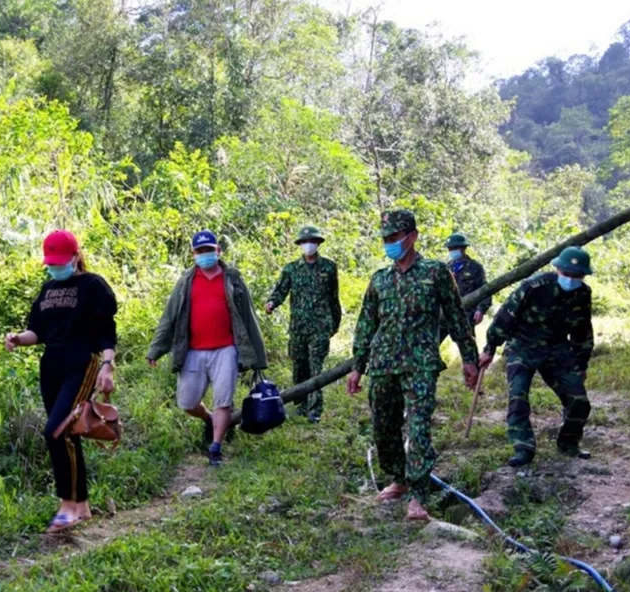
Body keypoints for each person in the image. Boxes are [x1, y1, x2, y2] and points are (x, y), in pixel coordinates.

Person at [347, 209, 480, 521]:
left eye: (395, 238)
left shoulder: (435, 273)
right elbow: (366, 324)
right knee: (384, 426)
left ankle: (419, 495)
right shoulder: (379, 279)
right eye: (386, 239)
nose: (390, 244)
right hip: (382, 364)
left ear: (412, 236)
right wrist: (357, 367)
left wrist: (469, 359)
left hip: (420, 364)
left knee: (418, 428)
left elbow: (456, 316)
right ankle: (398, 478)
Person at [4, 230, 118, 533]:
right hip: (51, 363)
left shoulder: (93, 286)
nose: (55, 267)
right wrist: (17, 338)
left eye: (60, 261)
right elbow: (36, 333)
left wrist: (108, 364)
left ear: (75, 256)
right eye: (51, 262)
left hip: (82, 361)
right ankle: (82, 506)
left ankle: (66, 506)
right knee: (69, 433)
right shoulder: (47, 289)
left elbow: (106, 330)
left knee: (56, 430)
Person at [147, 229, 268, 466]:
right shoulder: (186, 282)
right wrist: (156, 349)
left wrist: (258, 356)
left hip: (226, 350)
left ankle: (216, 448)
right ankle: (209, 419)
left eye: (209, 250)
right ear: (193, 254)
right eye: (200, 251)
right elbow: (169, 316)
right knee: (187, 402)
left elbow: (249, 318)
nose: (205, 255)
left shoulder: (232, 279)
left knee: (224, 400)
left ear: (218, 251)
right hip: (192, 350)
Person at [479, 246, 594, 467]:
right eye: (566, 274)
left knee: (579, 401)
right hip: (522, 345)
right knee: (518, 396)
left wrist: (581, 363)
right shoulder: (534, 286)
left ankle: (568, 443)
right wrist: (490, 347)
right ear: (557, 269)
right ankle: (523, 447)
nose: (570, 279)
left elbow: (582, 330)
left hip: (556, 348)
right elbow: (506, 316)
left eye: (576, 276)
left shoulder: (582, 294)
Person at [265, 225, 342, 423]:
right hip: (298, 327)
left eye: (313, 242)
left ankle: (314, 410)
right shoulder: (291, 269)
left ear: (318, 243)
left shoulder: (328, 267)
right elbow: (281, 290)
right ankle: (301, 404)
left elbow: (334, 297)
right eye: (305, 242)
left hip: (320, 326)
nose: (309, 245)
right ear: (300, 245)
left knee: (316, 366)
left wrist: (335, 322)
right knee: (299, 365)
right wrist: (272, 303)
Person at [438, 232, 491, 343]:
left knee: (468, 348)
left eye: (454, 248)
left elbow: (484, 290)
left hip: (466, 315)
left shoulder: (475, 267)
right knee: (431, 345)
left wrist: (481, 310)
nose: (451, 251)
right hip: (445, 315)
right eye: (450, 248)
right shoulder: (447, 267)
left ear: (463, 248)